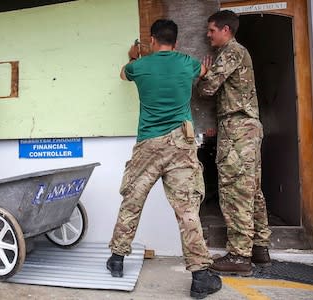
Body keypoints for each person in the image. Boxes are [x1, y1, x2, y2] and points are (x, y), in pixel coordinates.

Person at [107, 19, 221, 299]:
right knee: (187, 210)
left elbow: (123, 74)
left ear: (152, 40)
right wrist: (199, 67)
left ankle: (117, 260)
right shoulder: (187, 62)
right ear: (176, 42)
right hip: (180, 144)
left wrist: (135, 57)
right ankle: (200, 276)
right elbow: (204, 70)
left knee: (132, 201)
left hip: (148, 143)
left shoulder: (139, 66)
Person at [198, 10, 272, 276]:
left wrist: (203, 74)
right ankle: (260, 248)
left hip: (238, 128)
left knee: (235, 190)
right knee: (252, 189)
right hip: (247, 128)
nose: (208, 36)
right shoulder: (238, 52)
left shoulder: (231, 52)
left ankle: (240, 256)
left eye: (211, 30)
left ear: (225, 30)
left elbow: (207, 89)